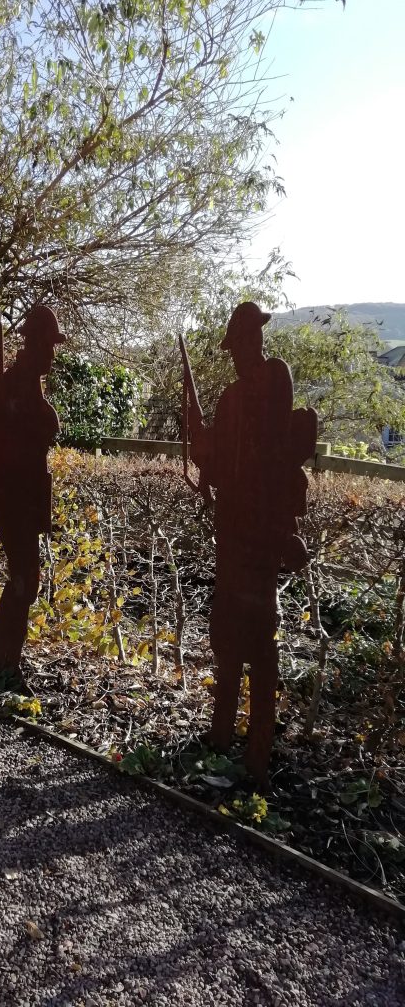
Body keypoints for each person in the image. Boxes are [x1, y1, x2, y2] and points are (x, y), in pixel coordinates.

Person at [189, 302, 316, 782]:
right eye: (239, 341)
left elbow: (275, 456)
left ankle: (257, 753)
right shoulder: (229, 398)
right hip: (233, 530)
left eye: (250, 338)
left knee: (261, 640)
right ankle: (221, 733)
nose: (245, 348)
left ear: (259, 339)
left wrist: (283, 531)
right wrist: (203, 450)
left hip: (262, 529)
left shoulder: (272, 379)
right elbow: (219, 466)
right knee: (228, 632)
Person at [0, 305, 65, 678]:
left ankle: (4, 644)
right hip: (13, 497)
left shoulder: (28, 388)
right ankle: (4, 652)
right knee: (26, 577)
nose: (53, 354)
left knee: (28, 576)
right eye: (49, 345)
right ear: (35, 344)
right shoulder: (6, 391)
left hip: (29, 496)